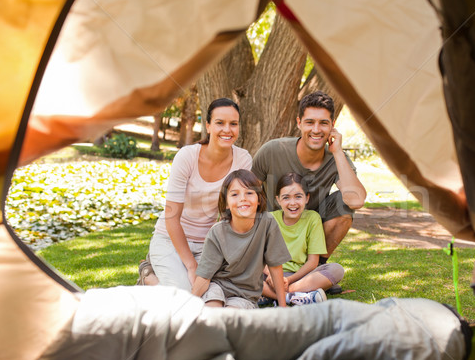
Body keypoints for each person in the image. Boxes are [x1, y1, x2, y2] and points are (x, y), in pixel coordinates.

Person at [252, 91, 366, 286]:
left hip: (309, 232)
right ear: (299, 123)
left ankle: (313, 269)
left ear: (332, 125)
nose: (316, 129)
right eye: (310, 122)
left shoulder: (338, 159)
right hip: (272, 232)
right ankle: (282, 279)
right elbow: (248, 194)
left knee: (344, 204)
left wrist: (337, 152)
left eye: (323, 123)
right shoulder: (272, 150)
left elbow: (356, 200)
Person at [139, 98, 252, 290]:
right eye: (220, 123)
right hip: (170, 240)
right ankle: (148, 275)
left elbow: (234, 214)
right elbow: (171, 217)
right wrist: (192, 266)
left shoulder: (243, 159)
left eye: (233, 124)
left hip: (209, 244)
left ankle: (153, 281)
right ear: (208, 126)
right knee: (184, 293)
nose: (227, 130)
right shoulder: (187, 156)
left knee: (212, 294)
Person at [191, 169, 290, 308]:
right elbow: (204, 277)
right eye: (234, 194)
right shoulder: (217, 233)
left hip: (245, 295)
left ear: (259, 199)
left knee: (229, 321)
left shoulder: (268, 224)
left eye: (249, 193)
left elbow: (275, 266)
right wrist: (186, 307)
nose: (243, 198)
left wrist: (283, 306)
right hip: (217, 287)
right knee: (211, 315)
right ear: (226, 203)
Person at [262, 172, 345, 306]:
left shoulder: (312, 218)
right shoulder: (269, 219)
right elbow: (259, 257)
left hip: (300, 277)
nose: (292, 203)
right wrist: (272, 276)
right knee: (244, 273)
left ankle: (275, 295)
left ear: (306, 198)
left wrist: (288, 281)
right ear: (278, 200)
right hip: (270, 275)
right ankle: (295, 297)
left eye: (298, 196)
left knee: (336, 270)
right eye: (286, 197)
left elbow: (313, 262)